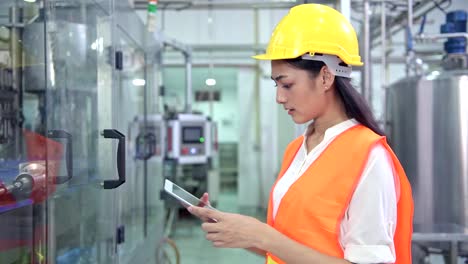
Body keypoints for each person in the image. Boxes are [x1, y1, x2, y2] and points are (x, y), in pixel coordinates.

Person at [188, 3, 414, 264]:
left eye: (287, 84)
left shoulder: (369, 157)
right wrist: (237, 228)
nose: (279, 97)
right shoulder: (297, 148)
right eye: (276, 85)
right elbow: (291, 246)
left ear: (326, 77)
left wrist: (264, 237)